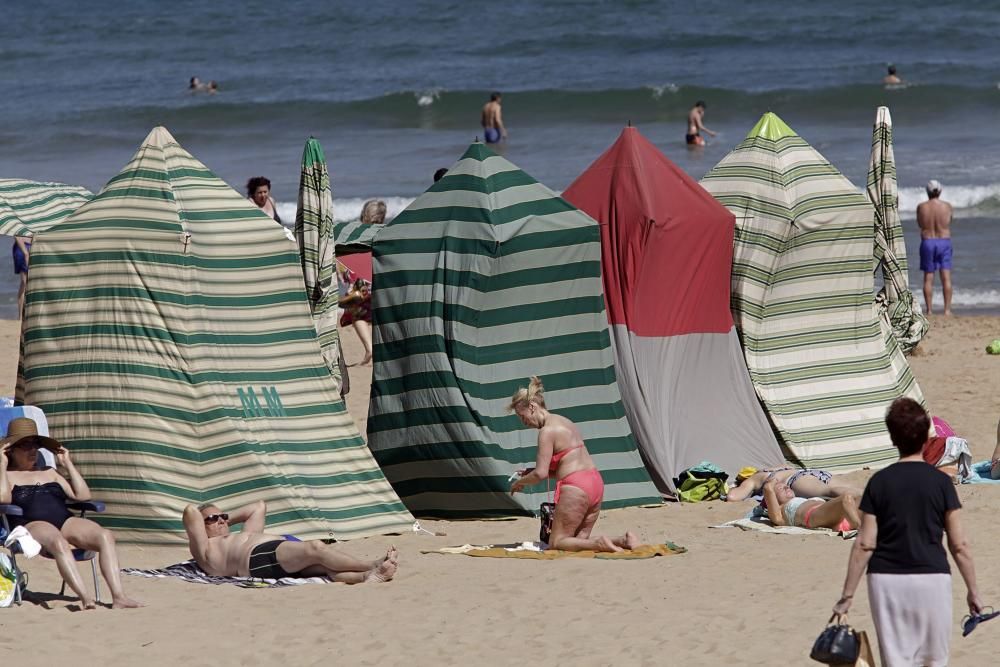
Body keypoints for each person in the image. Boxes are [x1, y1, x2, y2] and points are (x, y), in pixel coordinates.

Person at [832, 398, 983, 666]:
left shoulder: (879, 482)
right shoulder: (941, 483)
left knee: (897, 660)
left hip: (886, 580)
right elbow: (959, 545)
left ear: (892, 439)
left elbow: (865, 544)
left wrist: (846, 597)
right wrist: (973, 592)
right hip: (933, 577)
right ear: (927, 438)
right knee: (934, 660)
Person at [0, 418, 142, 609]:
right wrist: (2, 464)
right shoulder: (7, 476)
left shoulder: (50, 472)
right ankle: (86, 598)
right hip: (32, 524)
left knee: (105, 535)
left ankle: (119, 597)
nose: (32, 450)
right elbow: (3, 500)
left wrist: (67, 464)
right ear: (11, 450)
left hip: (64, 520)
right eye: (25, 445)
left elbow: (82, 495)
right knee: (58, 541)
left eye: (35, 444)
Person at [507, 376, 640, 552]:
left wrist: (519, 483)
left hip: (576, 488)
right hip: (595, 482)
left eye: (522, 417)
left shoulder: (547, 431)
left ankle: (600, 543)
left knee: (557, 542)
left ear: (532, 407)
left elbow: (540, 474)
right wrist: (531, 472)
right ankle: (623, 540)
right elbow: (565, 465)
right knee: (577, 542)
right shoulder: (565, 421)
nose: (523, 423)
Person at [182, 500, 397, 583]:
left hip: (266, 557)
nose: (219, 521)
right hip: (257, 558)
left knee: (324, 568)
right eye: (212, 519)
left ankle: (367, 576)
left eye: (223, 517)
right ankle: (372, 565)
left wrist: (224, 518)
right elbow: (190, 511)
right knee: (316, 547)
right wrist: (207, 523)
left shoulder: (238, 535)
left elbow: (258, 506)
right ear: (200, 527)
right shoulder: (205, 548)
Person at [338, 199, 385, 366]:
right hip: (378, 279)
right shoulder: (385, 232)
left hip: (361, 283)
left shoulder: (356, 232)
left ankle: (369, 349)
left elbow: (348, 258)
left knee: (357, 314)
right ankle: (379, 350)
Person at [762, 478, 860, 531]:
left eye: (787, 486)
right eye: (781, 489)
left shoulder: (801, 499)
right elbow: (767, 488)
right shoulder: (779, 513)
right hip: (814, 516)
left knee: (859, 498)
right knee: (846, 498)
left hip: (836, 515)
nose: (786, 488)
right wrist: (773, 480)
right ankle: (859, 527)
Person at [725, 465, 861, 502]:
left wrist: (735, 488)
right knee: (852, 488)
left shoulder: (754, 478)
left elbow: (733, 497)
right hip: (813, 471)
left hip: (796, 479)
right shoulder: (777, 466)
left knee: (829, 492)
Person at [916, 179, 953, 315]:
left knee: (928, 277)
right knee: (946, 277)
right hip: (944, 241)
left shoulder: (922, 207)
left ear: (927, 192)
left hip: (928, 241)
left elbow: (920, 223)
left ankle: (930, 310)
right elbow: (949, 221)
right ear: (940, 191)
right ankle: (947, 310)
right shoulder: (947, 206)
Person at [12, 236, 30, 316]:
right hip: (22, 246)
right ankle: (21, 316)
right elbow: (16, 234)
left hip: (35, 245)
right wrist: (25, 252)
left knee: (34, 282)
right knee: (24, 282)